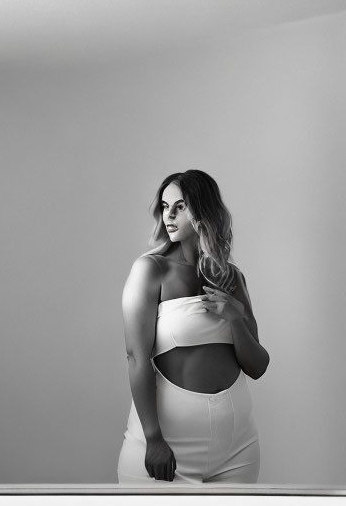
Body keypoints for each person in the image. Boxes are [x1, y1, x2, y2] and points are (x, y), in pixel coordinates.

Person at [117, 169, 269, 484]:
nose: (169, 215)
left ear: (202, 211)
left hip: (237, 450)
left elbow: (257, 365)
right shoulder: (150, 270)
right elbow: (135, 357)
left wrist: (235, 316)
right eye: (164, 206)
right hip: (169, 448)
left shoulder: (231, 278)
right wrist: (153, 438)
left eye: (180, 206)